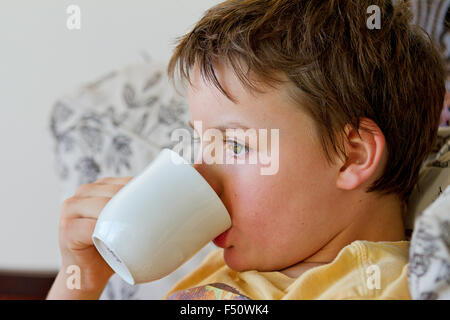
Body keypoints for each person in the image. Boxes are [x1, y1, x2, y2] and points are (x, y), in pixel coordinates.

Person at [47, 0, 446, 300]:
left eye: (236, 145)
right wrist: (80, 277)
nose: (202, 174)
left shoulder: (370, 286)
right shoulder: (247, 261)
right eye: (202, 143)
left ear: (353, 155)